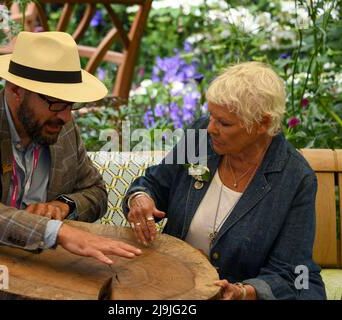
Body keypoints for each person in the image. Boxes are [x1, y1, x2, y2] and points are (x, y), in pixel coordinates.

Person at [0, 31, 142, 299]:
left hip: (40, 278)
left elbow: (96, 192)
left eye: (70, 103)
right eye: (55, 101)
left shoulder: (61, 126)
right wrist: (55, 232)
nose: (65, 115)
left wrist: (64, 206)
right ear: (16, 90)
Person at [123, 61, 326, 300]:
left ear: (263, 124)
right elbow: (154, 184)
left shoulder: (295, 178)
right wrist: (140, 198)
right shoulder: (201, 138)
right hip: (177, 284)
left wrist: (243, 292)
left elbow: (290, 271)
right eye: (211, 116)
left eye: (224, 123)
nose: (210, 128)